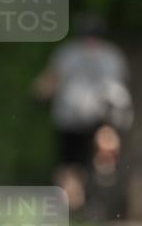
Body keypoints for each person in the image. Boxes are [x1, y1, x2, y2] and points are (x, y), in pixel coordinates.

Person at [33, 12, 133, 215]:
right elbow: (120, 84)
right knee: (106, 140)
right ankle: (104, 167)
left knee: (69, 164)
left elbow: (49, 83)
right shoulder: (112, 54)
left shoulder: (67, 53)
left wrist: (36, 94)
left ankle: (73, 203)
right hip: (105, 115)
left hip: (71, 116)